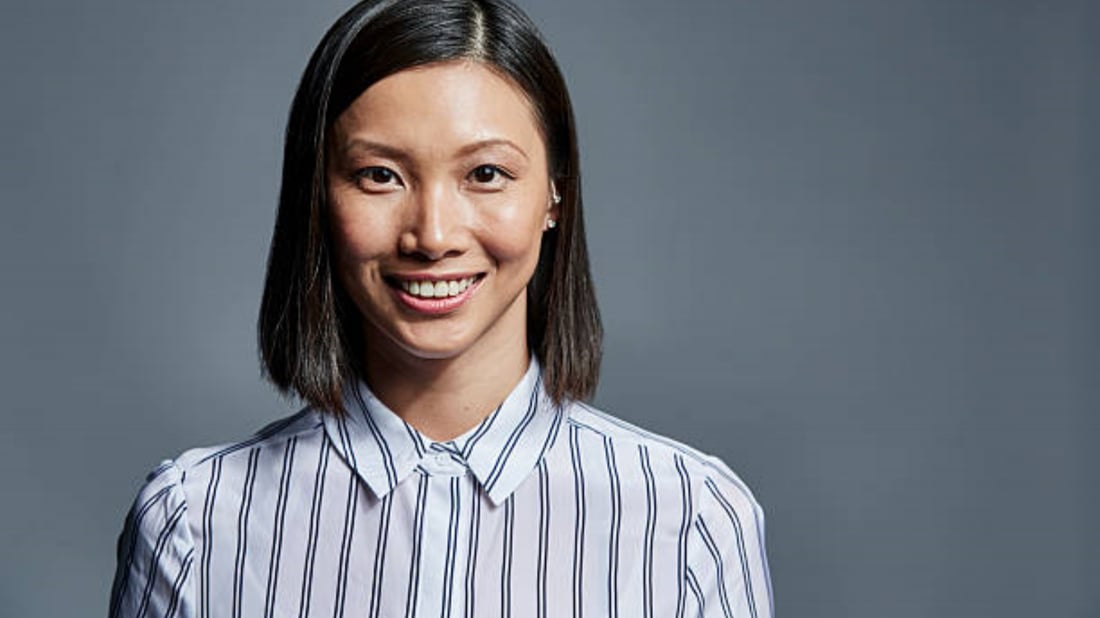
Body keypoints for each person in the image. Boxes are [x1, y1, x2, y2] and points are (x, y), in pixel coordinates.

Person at [108, 0, 774, 616]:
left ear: (553, 196)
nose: (432, 235)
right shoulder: (193, 524)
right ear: (318, 195)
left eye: (486, 175)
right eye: (380, 176)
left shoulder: (693, 520)